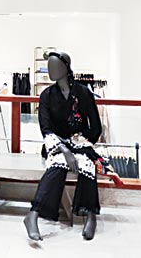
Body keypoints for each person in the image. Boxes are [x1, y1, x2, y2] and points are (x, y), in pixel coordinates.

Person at [24, 51, 121, 241]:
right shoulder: (46, 96)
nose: (51, 71)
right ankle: (33, 214)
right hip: (57, 144)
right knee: (57, 166)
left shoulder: (83, 93)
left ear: (65, 68)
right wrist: (64, 149)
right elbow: (45, 128)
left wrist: (81, 142)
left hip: (81, 142)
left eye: (55, 67)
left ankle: (90, 213)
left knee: (87, 164)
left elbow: (96, 126)